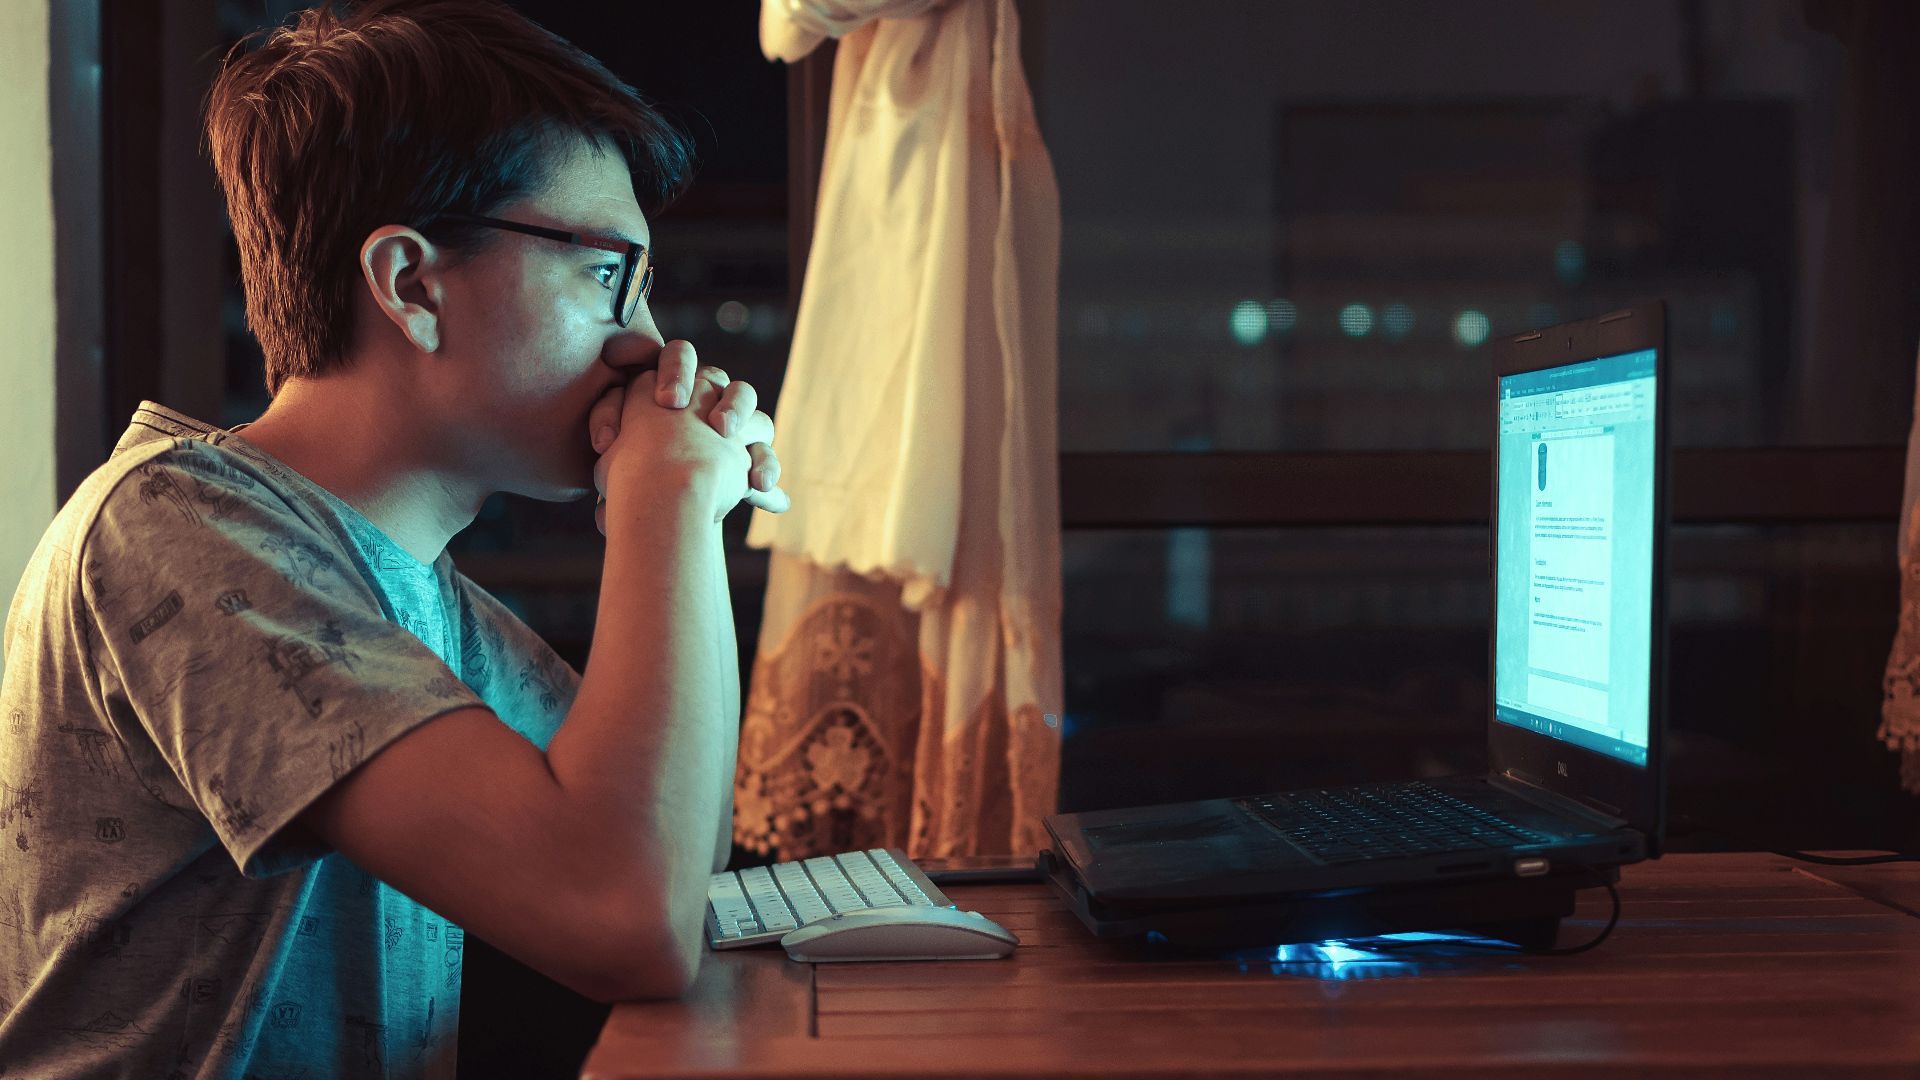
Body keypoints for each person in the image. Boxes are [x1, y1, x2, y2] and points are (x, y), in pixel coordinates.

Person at [0, 1, 785, 1076]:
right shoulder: (177, 531)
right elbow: (627, 914)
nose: (648, 349)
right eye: (609, 276)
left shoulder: (403, 588)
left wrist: (680, 508)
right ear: (412, 285)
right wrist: (670, 509)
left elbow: (667, 852)